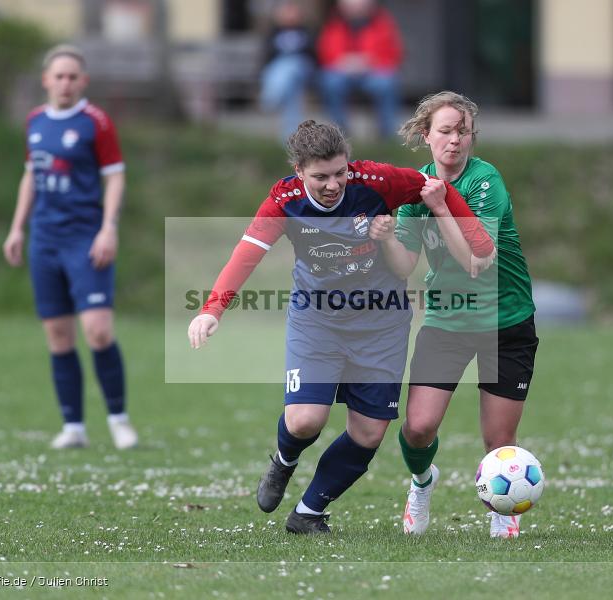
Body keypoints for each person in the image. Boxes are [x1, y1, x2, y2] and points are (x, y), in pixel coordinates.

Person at [188, 119, 495, 535]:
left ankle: (309, 512)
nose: (333, 184)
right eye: (321, 177)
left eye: (339, 172)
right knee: (303, 421)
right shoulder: (285, 200)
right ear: (299, 171)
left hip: (382, 323)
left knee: (368, 432)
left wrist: (476, 239)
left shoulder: (378, 180)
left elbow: (437, 190)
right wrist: (212, 310)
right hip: (317, 319)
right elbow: (246, 255)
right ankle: (284, 460)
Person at [370, 91, 537, 538]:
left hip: (506, 320)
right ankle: (422, 483)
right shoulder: (413, 190)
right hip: (448, 318)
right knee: (418, 428)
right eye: (445, 131)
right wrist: (385, 236)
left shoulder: (486, 182)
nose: (455, 140)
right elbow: (405, 265)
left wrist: (441, 205)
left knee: (497, 442)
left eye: (463, 132)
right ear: (426, 135)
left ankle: (504, 509)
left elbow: (476, 260)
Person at [2, 44, 138, 451]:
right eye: (58, 76)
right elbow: (31, 177)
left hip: (84, 238)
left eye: (72, 76)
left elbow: (114, 177)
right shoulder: (35, 122)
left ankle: (118, 419)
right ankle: (73, 426)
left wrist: (108, 228)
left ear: (83, 81)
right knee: (59, 337)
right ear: (46, 80)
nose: (65, 83)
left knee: (97, 331)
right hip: (45, 240)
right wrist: (16, 229)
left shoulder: (96, 122)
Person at [316, 0, 402, 138]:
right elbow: (325, 52)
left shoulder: (382, 22)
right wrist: (343, 62)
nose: (355, 7)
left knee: (387, 82)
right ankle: (339, 132)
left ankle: (387, 133)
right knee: (329, 81)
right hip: (342, 72)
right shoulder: (334, 23)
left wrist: (370, 61)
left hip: (372, 72)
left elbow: (393, 53)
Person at [259, 0, 314, 140]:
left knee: (291, 65)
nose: (289, 15)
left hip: (302, 70)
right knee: (291, 87)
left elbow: (314, 56)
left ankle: (271, 97)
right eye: (285, 12)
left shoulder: (308, 32)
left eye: (292, 11)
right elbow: (266, 58)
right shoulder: (271, 33)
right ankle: (289, 136)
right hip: (281, 75)